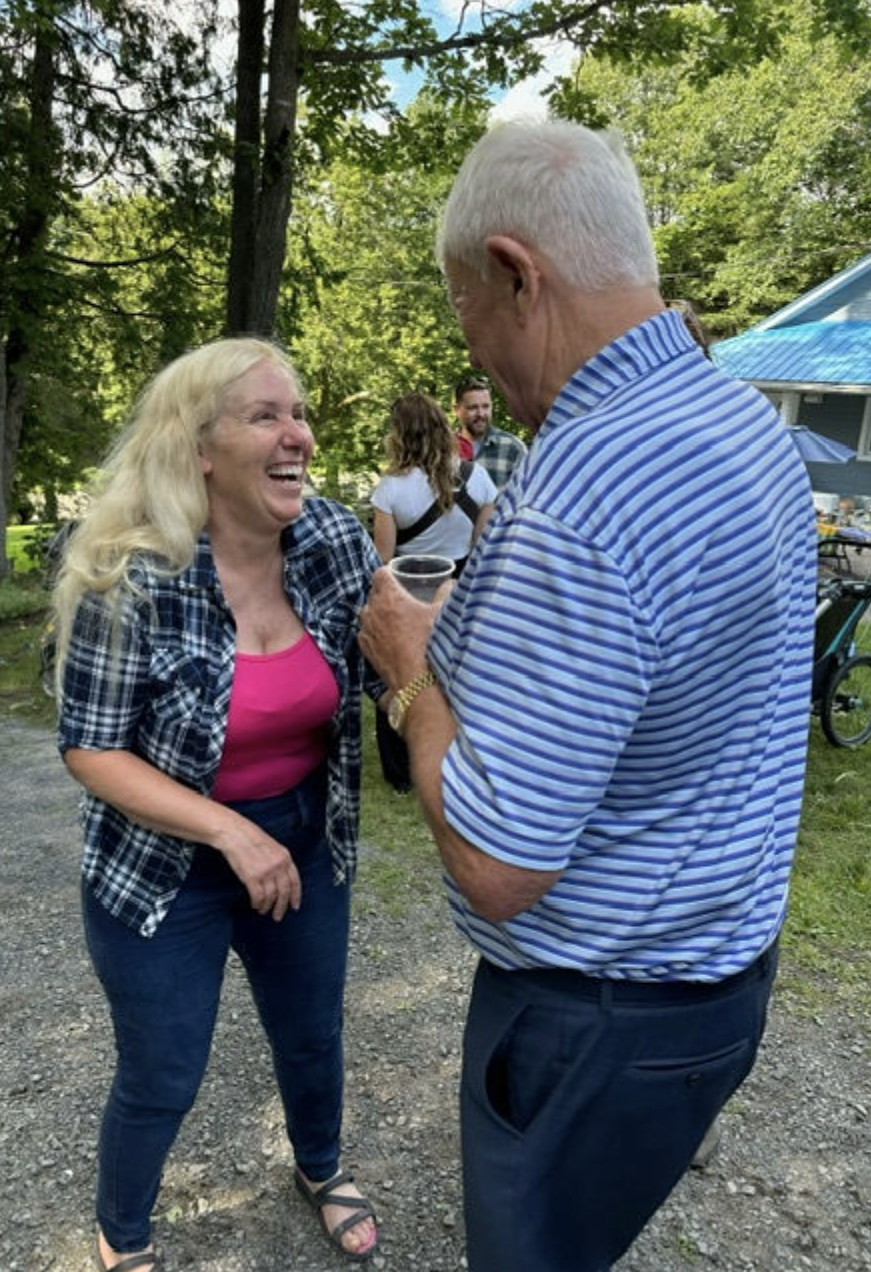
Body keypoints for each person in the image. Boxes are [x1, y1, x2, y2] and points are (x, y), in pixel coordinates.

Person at [358, 117, 816, 1272]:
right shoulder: (744, 424)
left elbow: (498, 866)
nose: (473, 354)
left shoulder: (582, 492)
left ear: (516, 273)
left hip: (593, 1018)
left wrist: (409, 674)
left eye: (465, 309)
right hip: (716, 971)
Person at [53, 337, 381, 1272]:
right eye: (266, 416)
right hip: (164, 863)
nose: (298, 436)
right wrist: (228, 830)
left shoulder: (332, 542)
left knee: (312, 1034)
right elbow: (91, 748)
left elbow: (395, 664)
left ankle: (320, 1167)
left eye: (299, 414)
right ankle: (123, 1235)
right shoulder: (129, 573)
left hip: (303, 839)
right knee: (162, 1068)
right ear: (198, 447)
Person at [370, 391, 496, 792]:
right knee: (456, 677)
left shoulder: (390, 488)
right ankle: (457, 758)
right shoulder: (478, 478)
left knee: (399, 673)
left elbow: (382, 558)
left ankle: (401, 771)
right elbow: (482, 547)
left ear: (399, 434)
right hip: (459, 586)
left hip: (407, 587)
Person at [453, 372, 526, 489]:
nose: (481, 414)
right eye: (473, 407)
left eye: (485, 406)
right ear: (457, 410)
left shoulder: (513, 448)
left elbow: (529, 493)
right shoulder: (443, 449)